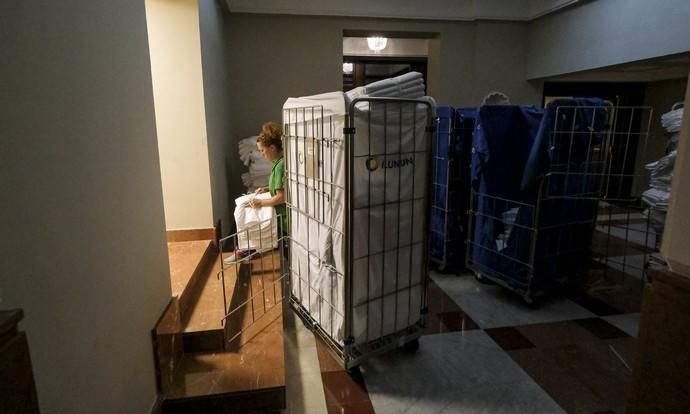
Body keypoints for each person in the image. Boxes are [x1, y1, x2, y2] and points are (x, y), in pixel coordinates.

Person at [247, 121, 287, 237]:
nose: (262, 154)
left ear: (272, 148)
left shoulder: (280, 166)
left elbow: (281, 197)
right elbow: (281, 188)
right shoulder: (278, 163)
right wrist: (266, 189)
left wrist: (260, 203)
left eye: (262, 150)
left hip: (284, 219)